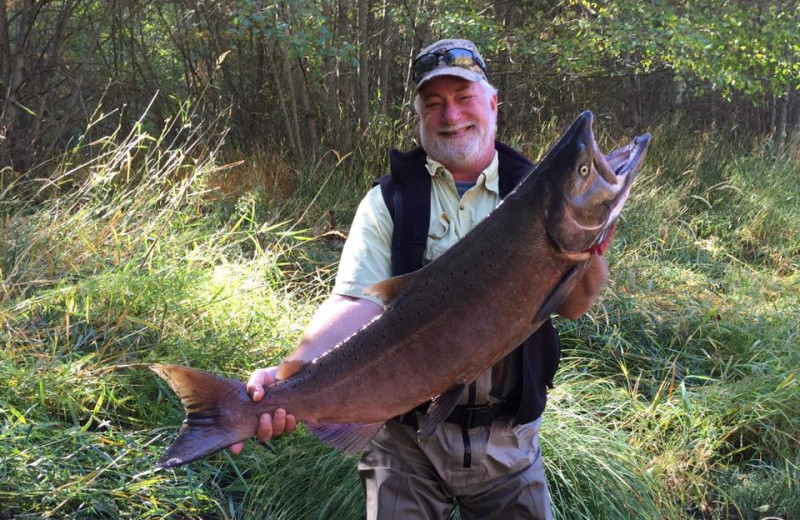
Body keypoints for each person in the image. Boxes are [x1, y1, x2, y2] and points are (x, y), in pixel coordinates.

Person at [230, 38, 609, 519]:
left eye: (464, 98)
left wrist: (591, 242)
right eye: (434, 104)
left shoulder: (534, 192)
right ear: (420, 117)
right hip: (403, 446)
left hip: (509, 443)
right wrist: (288, 375)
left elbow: (573, 305)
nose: (450, 115)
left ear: (492, 104)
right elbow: (356, 303)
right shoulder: (389, 202)